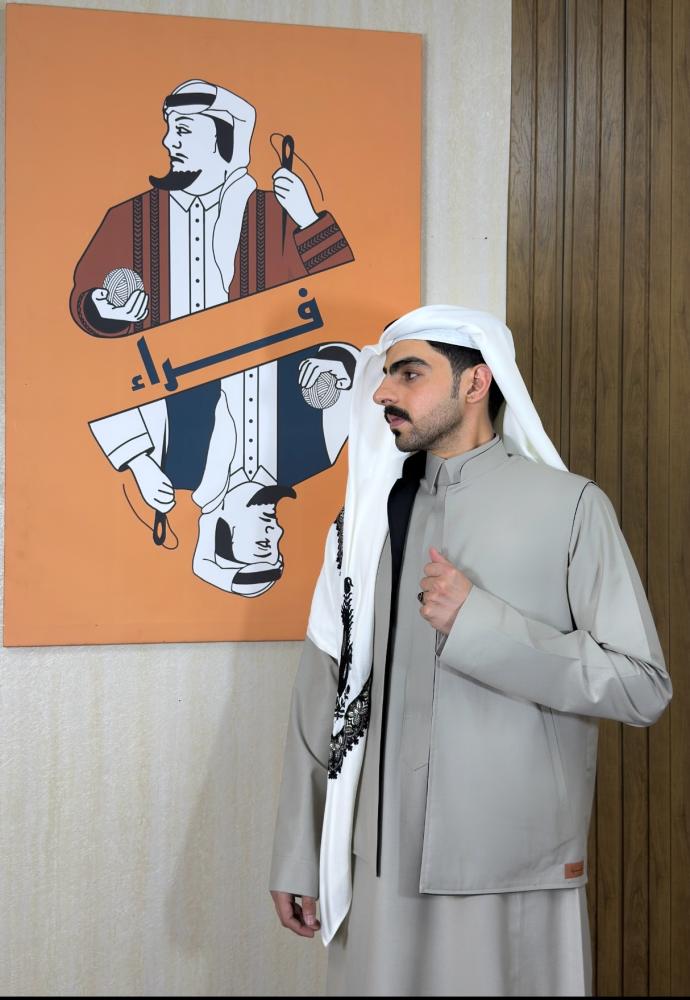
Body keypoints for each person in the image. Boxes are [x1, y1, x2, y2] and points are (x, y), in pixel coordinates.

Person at [268, 305, 672, 996]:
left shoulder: (572, 508)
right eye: (386, 375)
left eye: (409, 373)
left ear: (476, 382)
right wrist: (299, 854)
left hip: (516, 872)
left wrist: (479, 626)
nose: (383, 392)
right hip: (381, 865)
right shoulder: (364, 523)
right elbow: (324, 693)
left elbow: (642, 686)